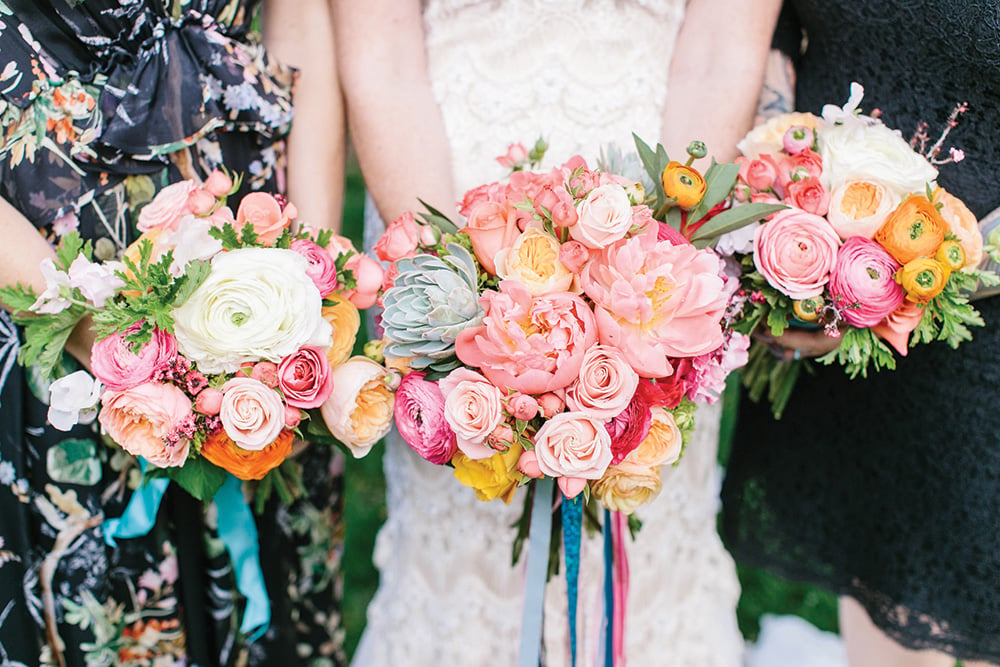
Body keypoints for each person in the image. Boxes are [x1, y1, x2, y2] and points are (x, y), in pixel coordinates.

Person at [334, 0, 780, 664]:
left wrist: (660, 261)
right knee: (461, 522)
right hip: (437, 183)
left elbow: (723, 44)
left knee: (644, 504)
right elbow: (381, 54)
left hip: (655, 196)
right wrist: (451, 290)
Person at [0, 1, 347, 665]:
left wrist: (307, 288)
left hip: (265, 304)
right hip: (52, 317)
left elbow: (300, 18)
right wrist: (100, 337)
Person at [721, 2, 1000, 666]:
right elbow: (777, 27)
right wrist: (782, 208)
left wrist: (927, 277)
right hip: (837, 321)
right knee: (879, 586)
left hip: (977, 329)